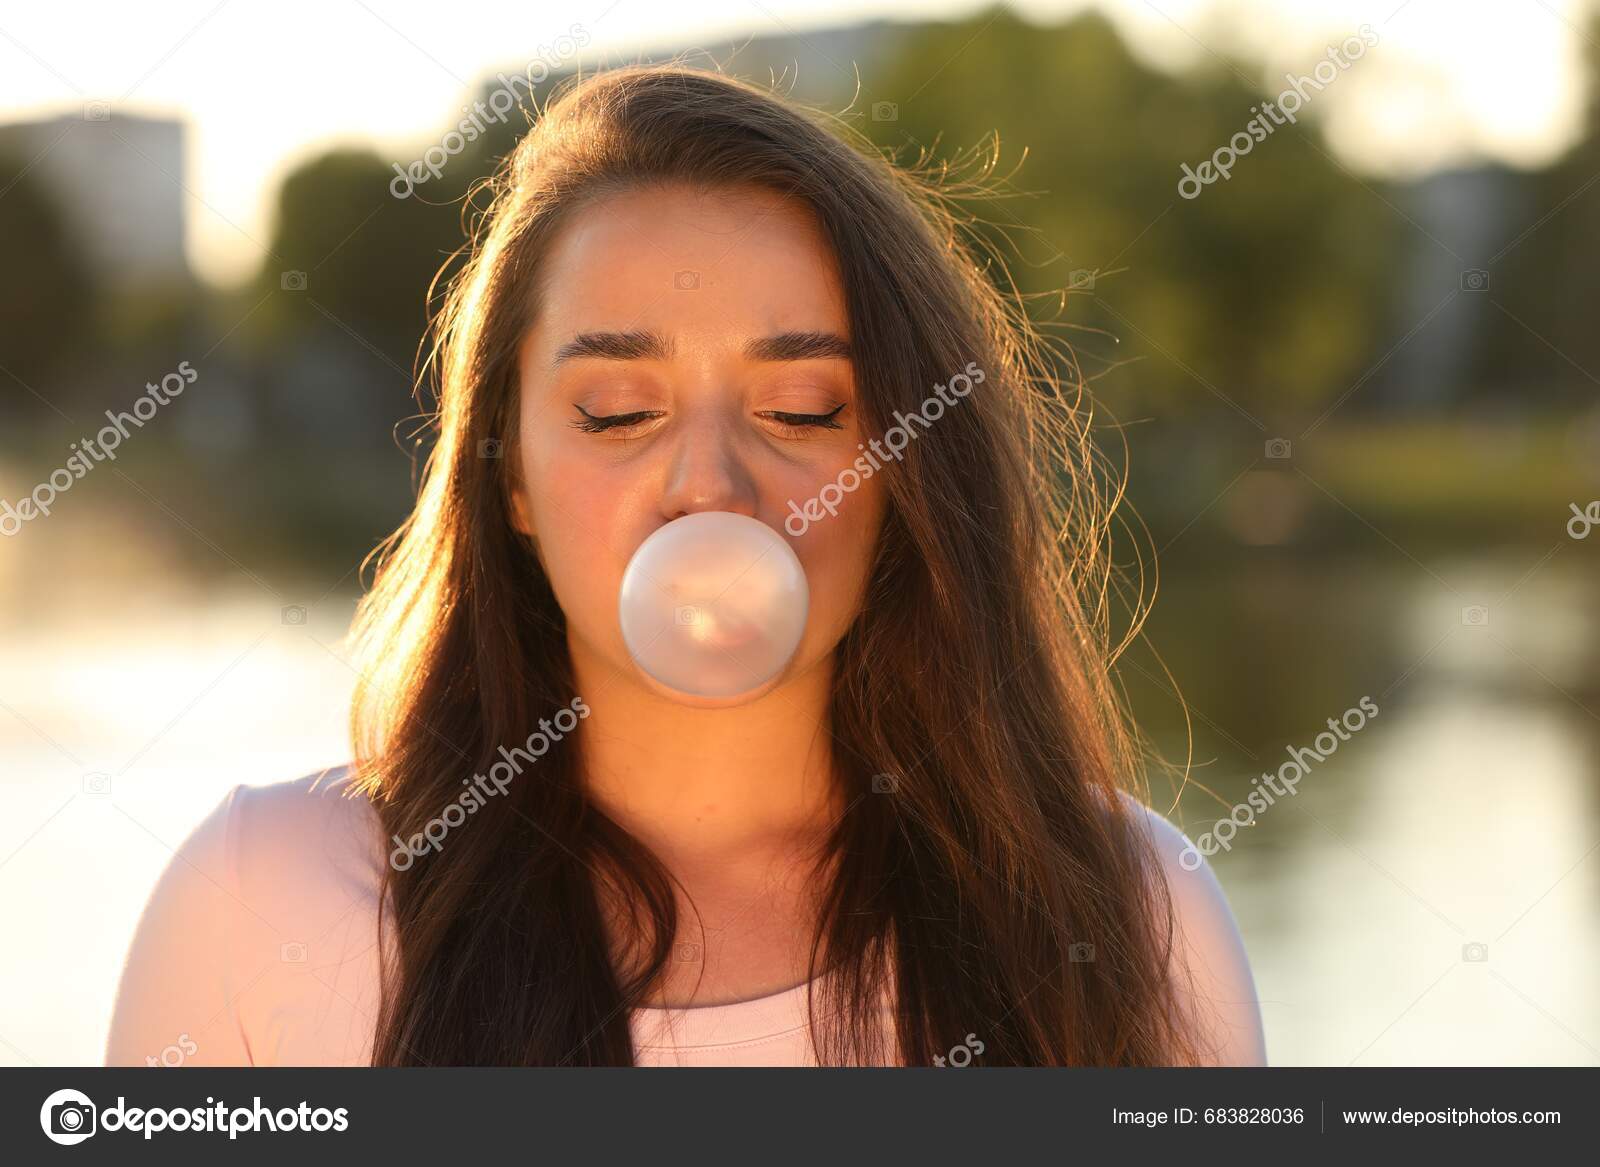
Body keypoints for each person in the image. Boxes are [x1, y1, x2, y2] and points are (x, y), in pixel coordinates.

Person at [106, 65, 1265, 1067]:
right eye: (616, 411)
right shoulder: (262, 899)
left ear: (906, 465)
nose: (709, 484)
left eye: (802, 408)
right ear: (507, 476)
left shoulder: (1125, 909)